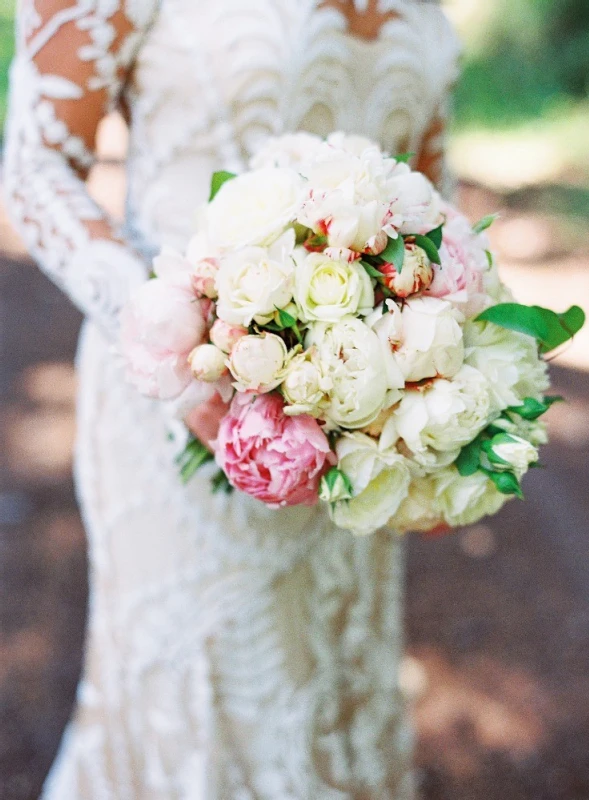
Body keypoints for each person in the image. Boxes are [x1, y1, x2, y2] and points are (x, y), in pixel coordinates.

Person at [3, 1, 459, 797]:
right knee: (210, 696)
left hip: (359, 407)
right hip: (179, 408)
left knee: (333, 672)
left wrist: (436, 381)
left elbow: (427, 183)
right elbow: (35, 168)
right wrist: (175, 338)